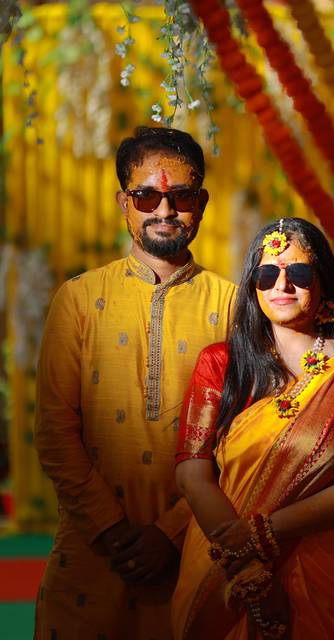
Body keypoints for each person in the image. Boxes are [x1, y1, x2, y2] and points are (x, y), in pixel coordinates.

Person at [171, 217, 334, 639]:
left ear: (324, 283)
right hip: (223, 568)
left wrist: (263, 534)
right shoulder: (222, 364)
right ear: (253, 286)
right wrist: (247, 563)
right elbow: (190, 471)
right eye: (267, 273)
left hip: (326, 568)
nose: (281, 286)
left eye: (300, 274)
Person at [34, 126, 237, 639]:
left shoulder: (235, 306)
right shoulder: (78, 299)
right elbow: (55, 433)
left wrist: (169, 534)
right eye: (147, 195)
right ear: (124, 202)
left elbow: (242, 437)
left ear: (203, 203)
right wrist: (113, 530)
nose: (164, 211)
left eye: (181, 196)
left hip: (196, 545)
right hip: (92, 549)